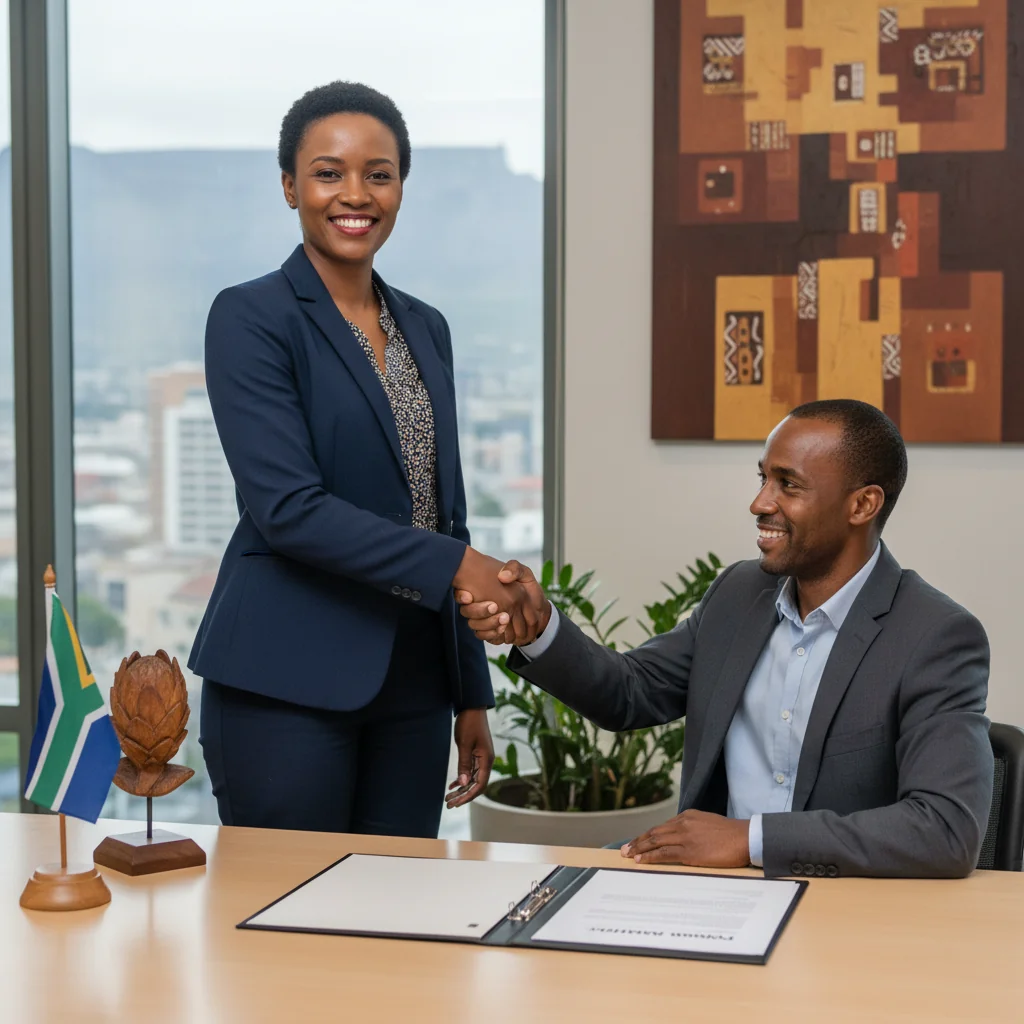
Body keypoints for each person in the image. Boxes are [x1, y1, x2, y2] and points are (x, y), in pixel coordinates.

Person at [191, 81, 537, 837]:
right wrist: (458, 565)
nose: (356, 194)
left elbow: (444, 509)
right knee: (284, 925)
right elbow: (288, 511)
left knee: (394, 924)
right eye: (328, 172)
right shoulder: (251, 317)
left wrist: (467, 691)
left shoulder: (426, 326)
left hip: (413, 688)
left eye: (378, 174)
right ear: (290, 186)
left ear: (401, 187)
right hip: (285, 682)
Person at [457, 400, 994, 877]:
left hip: (845, 911)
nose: (760, 502)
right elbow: (629, 693)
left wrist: (749, 839)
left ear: (862, 505)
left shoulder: (935, 636)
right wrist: (540, 624)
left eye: (789, 484)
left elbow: (945, 829)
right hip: (714, 893)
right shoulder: (741, 592)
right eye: (762, 478)